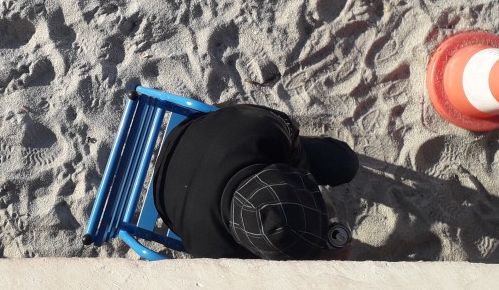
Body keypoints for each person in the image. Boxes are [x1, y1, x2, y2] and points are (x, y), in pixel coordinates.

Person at [151, 103, 359, 260]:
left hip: (192, 137)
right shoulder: (215, 253)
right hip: (170, 196)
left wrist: (301, 177)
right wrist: (325, 259)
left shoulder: (264, 129)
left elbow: (297, 155)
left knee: (343, 162)